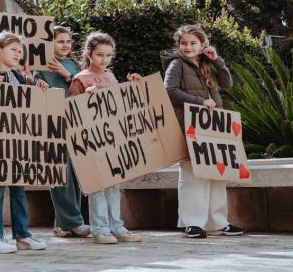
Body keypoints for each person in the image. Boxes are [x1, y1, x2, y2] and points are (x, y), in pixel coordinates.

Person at [163, 24, 244, 239]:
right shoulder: (176, 64)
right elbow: (169, 91)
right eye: (183, 43)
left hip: (214, 126)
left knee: (217, 173)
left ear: (203, 44)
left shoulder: (209, 63)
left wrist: (217, 60)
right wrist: (200, 101)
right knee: (193, 175)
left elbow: (227, 83)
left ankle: (218, 222)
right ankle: (192, 223)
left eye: (193, 43)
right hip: (189, 126)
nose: (188, 47)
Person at [0, 32, 50, 254]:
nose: (18, 54)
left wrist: (38, 88)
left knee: (19, 189)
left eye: (20, 51)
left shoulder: (18, 77)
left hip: (17, 144)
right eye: (13, 49)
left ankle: (22, 235)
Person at [68, 32, 143, 245]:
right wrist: (85, 97)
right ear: (88, 54)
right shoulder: (80, 79)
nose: (104, 59)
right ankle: (100, 228)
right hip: (91, 141)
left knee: (114, 185)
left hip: (113, 140)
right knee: (97, 186)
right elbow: (71, 110)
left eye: (109, 55)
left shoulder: (110, 76)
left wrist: (132, 86)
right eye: (100, 55)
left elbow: (118, 105)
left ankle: (116, 226)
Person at [33, 25, 91, 239]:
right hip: (53, 124)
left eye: (68, 41)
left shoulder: (75, 65)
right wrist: (37, 83)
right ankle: (74, 222)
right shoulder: (40, 66)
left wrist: (67, 75)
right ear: (50, 44)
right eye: (60, 41)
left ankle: (62, 224)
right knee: (59, 172)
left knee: (75, 175)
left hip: (76, 122)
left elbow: (85, 89)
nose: (65, 45)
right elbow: (35, 92)